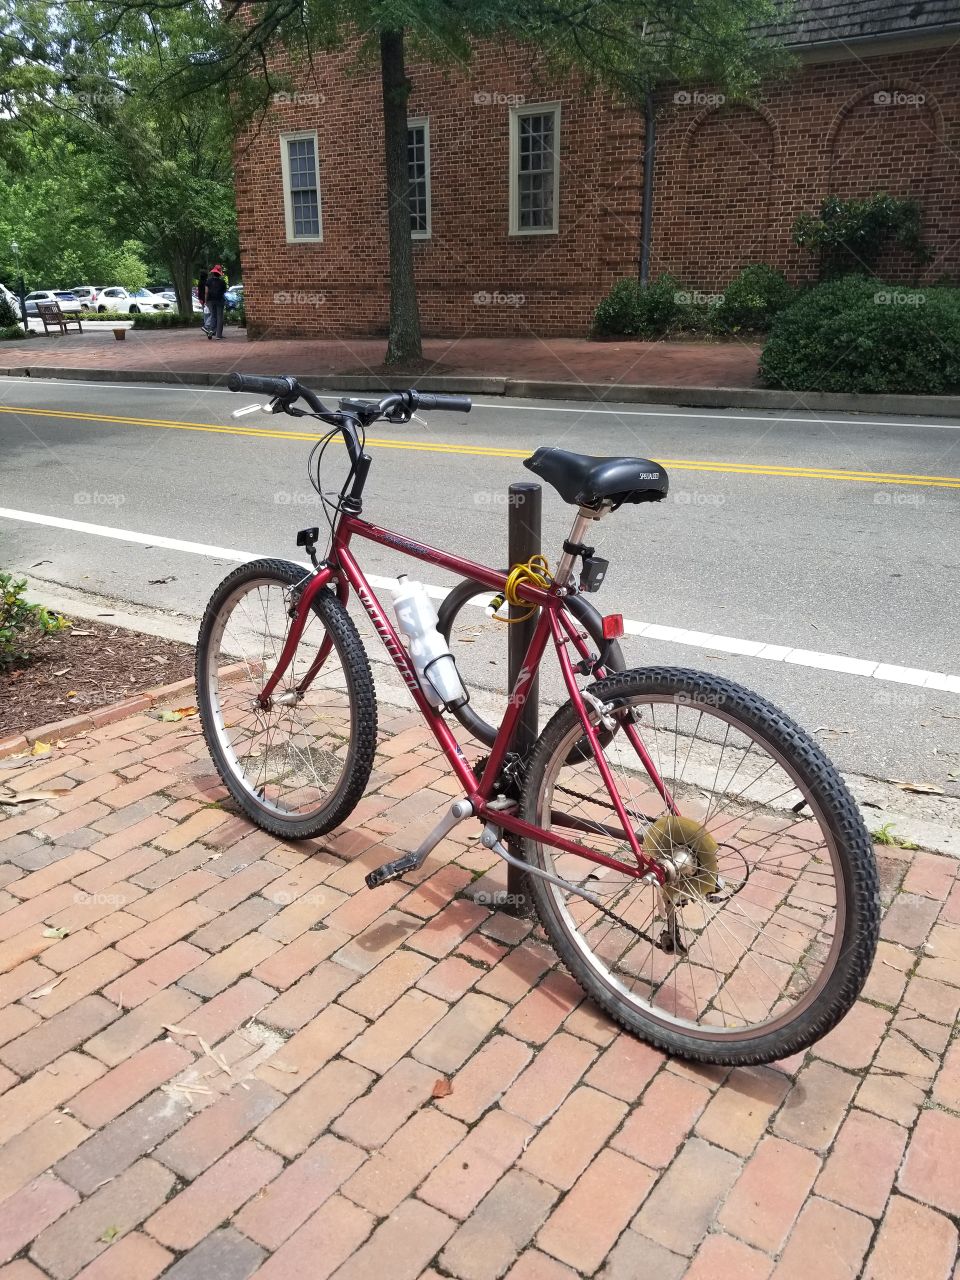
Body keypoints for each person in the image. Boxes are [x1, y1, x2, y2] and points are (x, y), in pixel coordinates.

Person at [204, 265, 227, 340]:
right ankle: (218, 335)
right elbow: (224, 291)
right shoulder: (222, 282)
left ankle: (211, 331)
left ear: (213, 273)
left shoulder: (208, 281)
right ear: (219, 274)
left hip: (210, 300)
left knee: (213, 316)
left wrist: (205, 301)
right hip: (219, 301)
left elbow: (206, 292)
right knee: (220, 317)